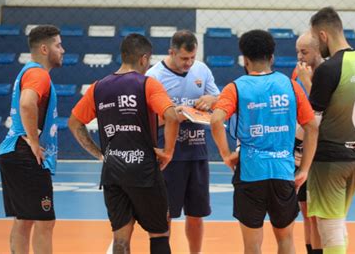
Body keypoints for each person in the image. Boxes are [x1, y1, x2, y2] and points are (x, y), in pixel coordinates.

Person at [68, 33, 179, 254]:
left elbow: (74, 123)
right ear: (143, 58)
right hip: (144, 170)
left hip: (113, 172)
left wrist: (100, 154)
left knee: (120, 239)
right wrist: (167, 152)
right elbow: (172, 116)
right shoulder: (148, 84)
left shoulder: (98, 87)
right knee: (159, 233)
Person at [211, 29, 319, 254]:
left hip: (250, 171)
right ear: (272, 58)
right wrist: (305, 169)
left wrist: (225, 154)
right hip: (283, 171)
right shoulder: (290, 86)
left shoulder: (236, 87)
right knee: (286, 239)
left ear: (245, 60)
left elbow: (216, 120)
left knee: (252, 244)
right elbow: (311, 126)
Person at [307, 7, 355, 254]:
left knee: (330, 229)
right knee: (338, 222)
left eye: (315, 38)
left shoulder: (329, 68)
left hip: (331, 158)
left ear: (323, 35)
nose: (316, 43)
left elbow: (312, 123)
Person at [145, 29, 219, 253]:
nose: (189, 63)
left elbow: (219, 101)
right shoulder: (154, 76)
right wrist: (171, 115)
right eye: (184, 58)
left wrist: (211, 99)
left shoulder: (201, 70)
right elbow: (146, 116)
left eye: (192, 58)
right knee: (165, 213)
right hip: (169, 154)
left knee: (197, 214)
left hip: (197, 151)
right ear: (171, 52)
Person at [0, 25, 64, 254]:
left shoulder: (29, 72)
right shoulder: (38, 74)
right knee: (45, 221)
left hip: (13, 151)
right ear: (44, 49)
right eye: (58, 45)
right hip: (24, 153)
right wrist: (34, 142)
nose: (62, 50)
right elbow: (27, 103)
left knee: (24, 219)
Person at [292, 31, 324, 254]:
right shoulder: (298, 71)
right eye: (297, 52)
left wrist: (307, 81)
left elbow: (324, 107)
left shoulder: (327, 72)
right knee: (304, 209)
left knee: (316, 212)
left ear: (318, 50)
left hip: (318, 145)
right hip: (297, 144)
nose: (300, 57)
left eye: (304, 52)